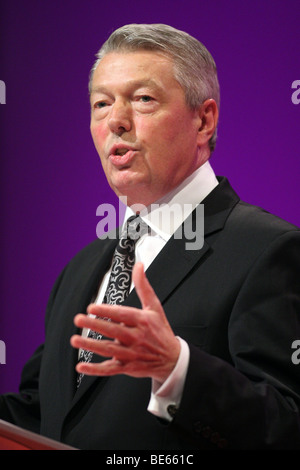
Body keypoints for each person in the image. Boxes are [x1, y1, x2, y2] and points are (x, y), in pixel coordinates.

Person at [1, 23, 300, 450]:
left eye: (143, 99)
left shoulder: (269, 250)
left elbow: (289, 426)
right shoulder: (81, 268)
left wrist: (177, 368)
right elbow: (43, 414)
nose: (116, 122)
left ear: (204, 119)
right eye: (101, 104)